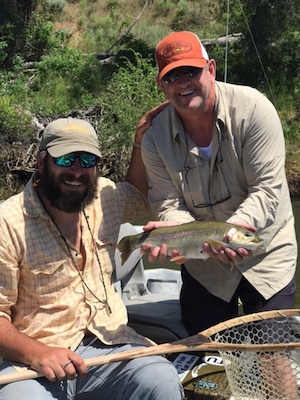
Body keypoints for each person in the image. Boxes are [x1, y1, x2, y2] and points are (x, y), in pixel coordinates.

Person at [0, 117, 184, 400]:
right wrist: (38, 354)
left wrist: (140, 141)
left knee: (161, 380)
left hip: (111, 346)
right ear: (40, 162)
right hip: (33, 364)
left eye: (87, 161)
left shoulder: (104, 197)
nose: (76, 171)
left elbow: (136, 193)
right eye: (65, 160)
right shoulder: (8, 223)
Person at [138, 31, 298, 335]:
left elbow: (266, 190)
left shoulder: (254, 111)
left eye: (191, 71)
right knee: (208, 357)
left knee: (273, 355)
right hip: (203, 268)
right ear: (162, 85)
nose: (183, 82)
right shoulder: (154, 138)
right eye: (173, 76)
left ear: (210, 69)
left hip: (265, 255)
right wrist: (179, 238)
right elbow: (168, 203)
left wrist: (228, 235)